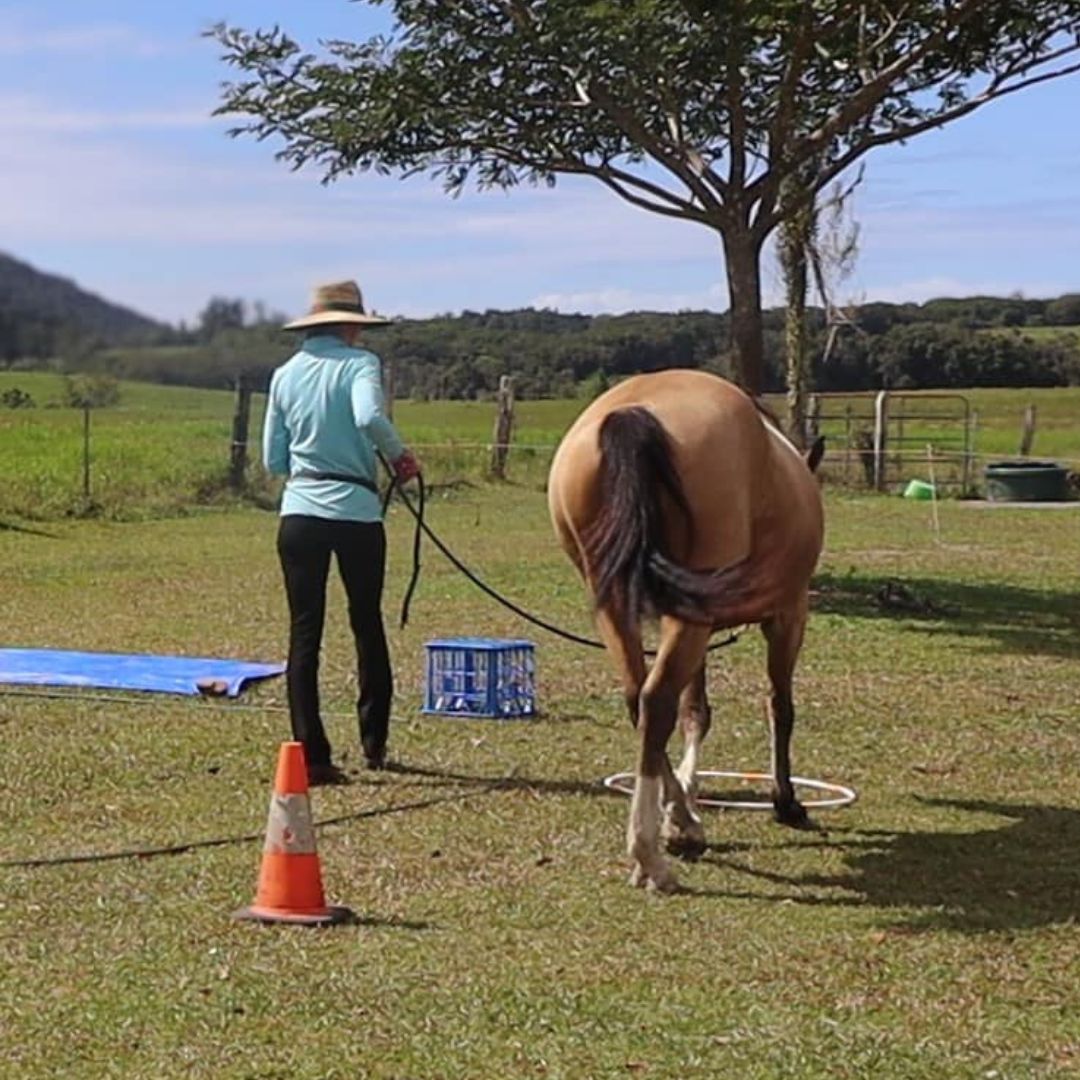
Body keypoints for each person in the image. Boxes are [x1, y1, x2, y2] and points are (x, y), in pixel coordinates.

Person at [262, 280, 420, 785]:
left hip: (300, 512)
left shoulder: (285, 374)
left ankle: (312, 753)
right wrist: (398, 456)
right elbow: (368, 414)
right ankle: (374, 741)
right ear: (351, 325)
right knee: (365, 622)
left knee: (304, 632)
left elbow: (273, 458)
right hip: (355, 510)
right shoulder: (360, 364)